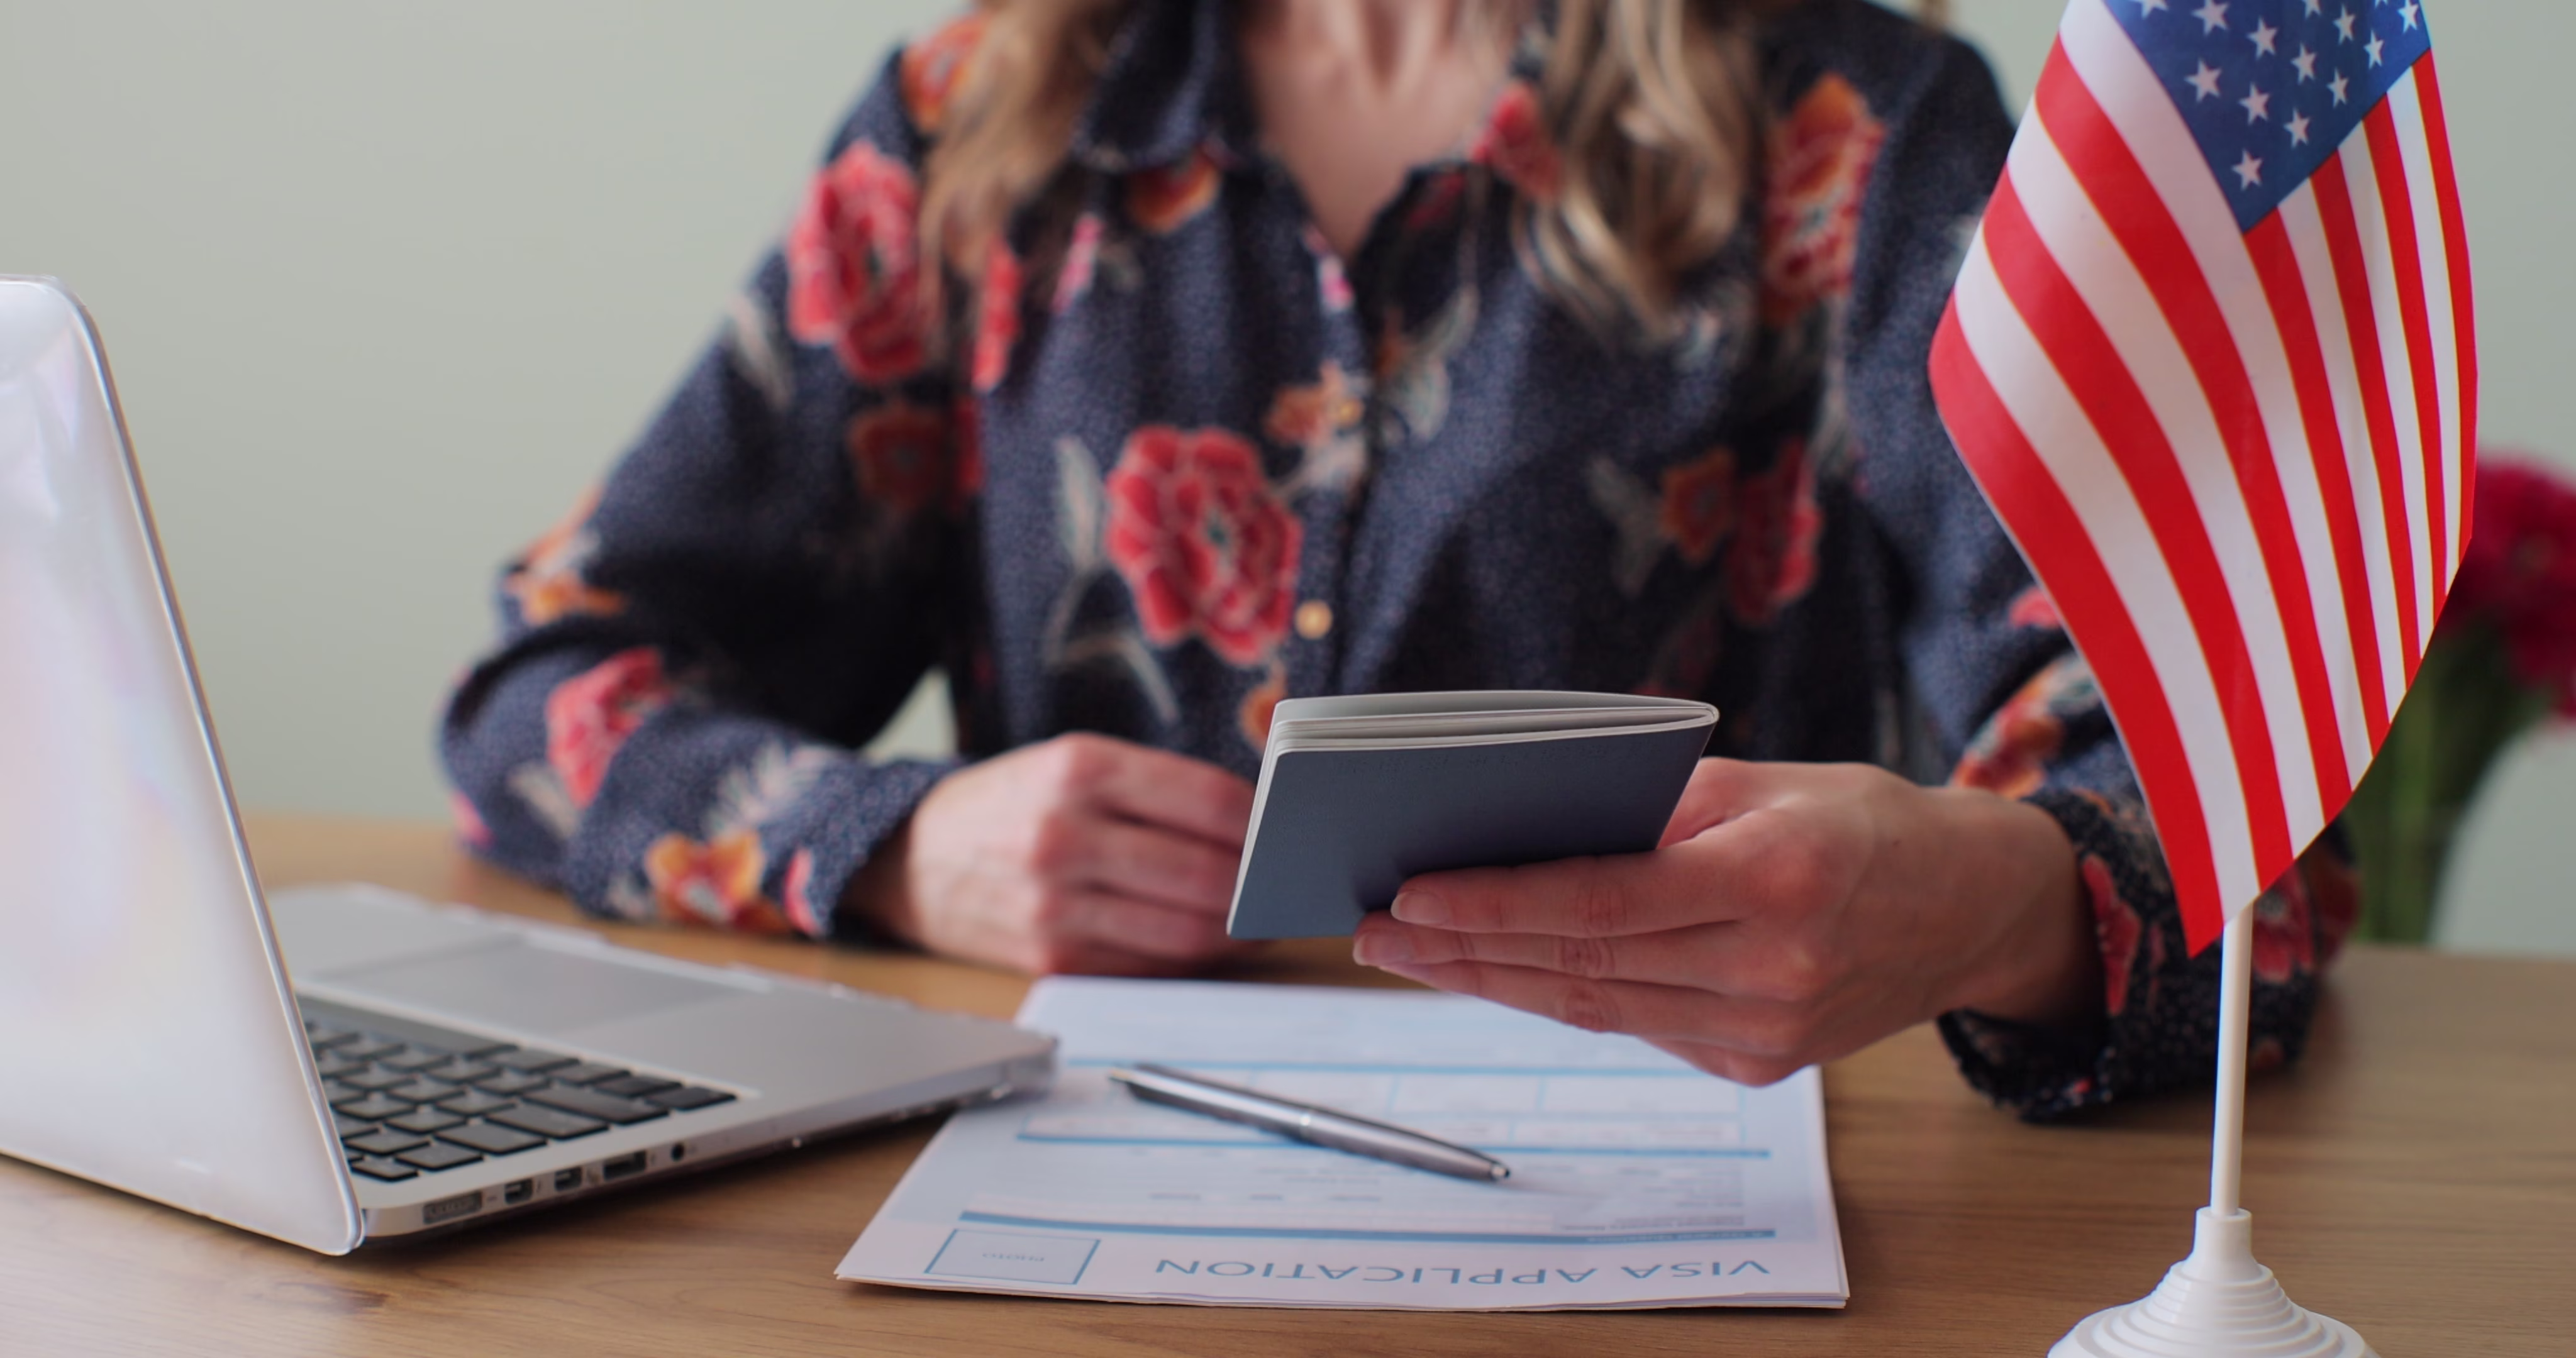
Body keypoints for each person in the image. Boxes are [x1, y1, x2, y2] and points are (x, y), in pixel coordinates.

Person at [441, 0, 2357, 1119]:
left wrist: (1982, 903)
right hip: (1070, 1226)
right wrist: (895, 844)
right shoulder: (987, 122)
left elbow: (2242, 805)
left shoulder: (1854, 130)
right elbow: (543, 698)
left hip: (1687, 1236)